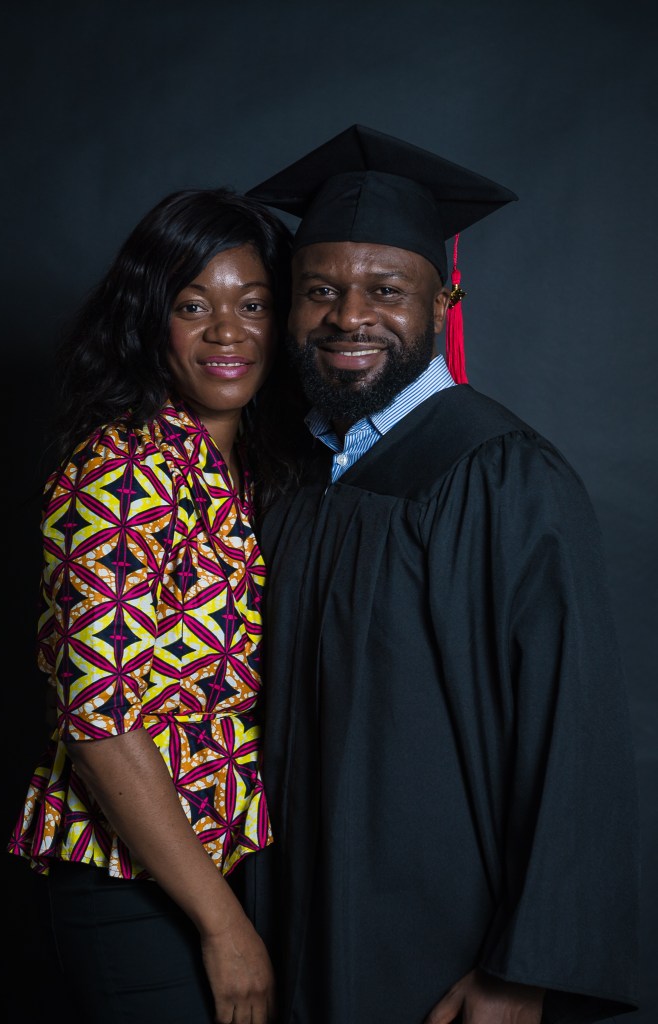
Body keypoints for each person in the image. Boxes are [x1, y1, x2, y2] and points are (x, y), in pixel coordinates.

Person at [245, 125, 641, 1024]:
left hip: (437, 939)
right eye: (319, 291)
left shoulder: (503, 473)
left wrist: (523, 969)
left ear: (443, 302)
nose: (348, 317)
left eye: (387, 290)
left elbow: (570, 730)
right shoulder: (292, 470)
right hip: (284, 914)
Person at [7, 186, 297, 1024]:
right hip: (132, 883)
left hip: (231, 863)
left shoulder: (252, 470)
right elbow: (98, 721)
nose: (227, 332)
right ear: (149, 320)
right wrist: (223, 927)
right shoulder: (123, 472)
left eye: (254, 304)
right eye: (192, 305)